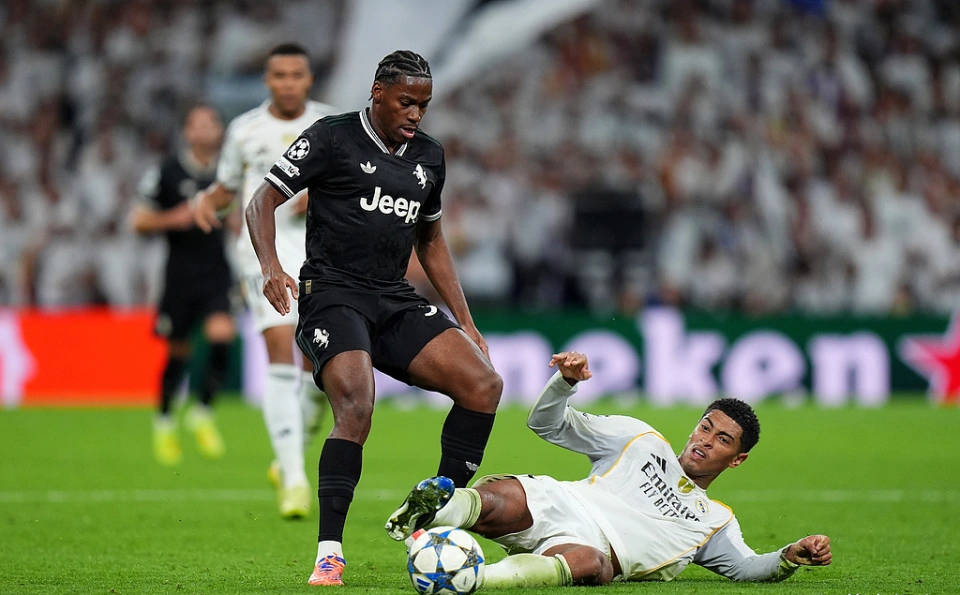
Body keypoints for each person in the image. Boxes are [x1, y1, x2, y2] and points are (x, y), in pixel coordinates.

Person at [245, 50, 503, 586]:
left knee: (483, 385)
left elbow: (431, 240)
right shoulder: (332, 137)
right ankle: (330, 553)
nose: (416, 114)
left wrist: (465, 320)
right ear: (378, 93)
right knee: (357, 405)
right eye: (407, 102)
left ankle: (433, 515)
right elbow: (261, 201)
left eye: (424, 105)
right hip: (332, 294)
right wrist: (271, 267)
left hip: (392, 297)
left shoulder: (429, 155)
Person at [386, 351, 833, 588]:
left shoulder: (714, 521)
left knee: (590, 564)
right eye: (705, 427)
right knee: (500, 496)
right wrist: (564, 383)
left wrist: (788, 556)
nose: (704, 441)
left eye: (722, 440)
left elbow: (747, 567)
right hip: (565, 502)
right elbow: (546, 424)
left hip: (593, 548)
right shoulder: (640, 438)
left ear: (737, 460)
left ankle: (473, 579)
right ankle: (430, 511)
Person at [194, 43, 337, 518]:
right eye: (280, 75)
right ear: (267, 81)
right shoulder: (245, 130)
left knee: (321, 369)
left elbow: (357, 184)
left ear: (309, 79)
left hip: (324, 255)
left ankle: (292, 450)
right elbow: (227, 188)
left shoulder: (332, 125)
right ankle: (294, 479)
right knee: (280, 346)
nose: (288, 83)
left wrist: (319, 193)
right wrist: (206, 201)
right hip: (263, 254)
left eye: (297, 74)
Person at [131, 103, 234, 466]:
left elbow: (238, 213)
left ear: (219, 131)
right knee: (178, 352)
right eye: (197, 125)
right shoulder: (166, 171)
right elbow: (138, 221)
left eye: (211, 124)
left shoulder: (228, 170)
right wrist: (174, 218)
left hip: (216, 271)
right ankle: (164, 421)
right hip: (179, 274)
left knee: (222, 334)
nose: (205, 130)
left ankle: (202, 412)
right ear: (187, 132)